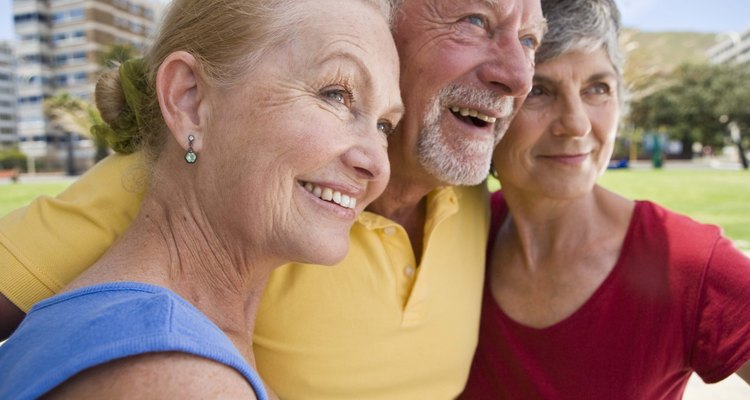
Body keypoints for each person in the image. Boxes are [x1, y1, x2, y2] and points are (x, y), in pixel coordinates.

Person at [0, 0, 547, 398]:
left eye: (384, 123)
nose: (373, 160)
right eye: (335, 94)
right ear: (188, 101)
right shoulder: (179, 372)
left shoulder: (481, 200)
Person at [460, 0, 750, 398]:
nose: (576, 123)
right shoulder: (454, 232)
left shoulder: (690, 262)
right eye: (539, 91)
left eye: (597, 88)